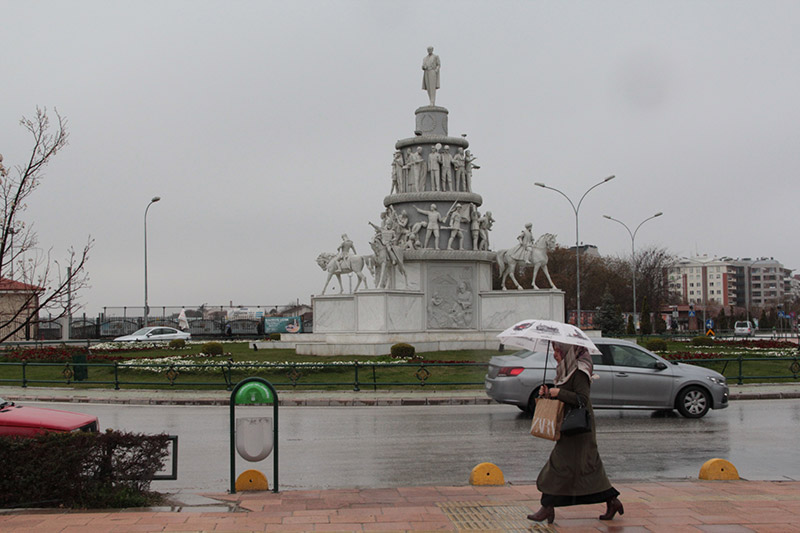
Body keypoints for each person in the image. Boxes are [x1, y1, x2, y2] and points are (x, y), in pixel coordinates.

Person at [528, 341, 623, 524]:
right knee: (588, 469)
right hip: (569, 427)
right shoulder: (566, 370)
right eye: (554, 350)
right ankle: (612, 501)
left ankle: (547, 507)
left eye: (558, 350)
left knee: (558, 466)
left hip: (579, 429)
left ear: (568, 351)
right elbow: (564, 394)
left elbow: (582, 399)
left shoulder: (579, 371)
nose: (555, 354)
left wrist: (558, 393)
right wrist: (548, 393)